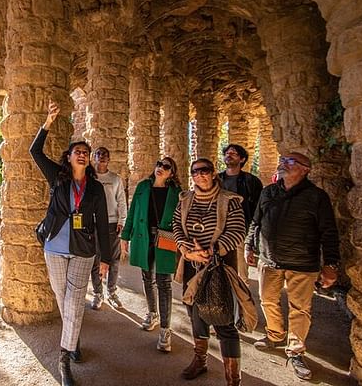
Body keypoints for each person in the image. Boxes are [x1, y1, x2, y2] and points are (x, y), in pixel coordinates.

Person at [30, 100, 113, 386]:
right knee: (62, 299)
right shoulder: (58, 177)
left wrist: (106, 260)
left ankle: (64, 358)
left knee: (74, 304)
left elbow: (103, 223)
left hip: (83, 252)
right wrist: (48, 122)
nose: (82, 154)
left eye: (86, 153)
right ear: (69, 157)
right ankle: (73, 340)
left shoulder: (96, 188)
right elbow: (35, 151)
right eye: (78, 151)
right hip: (53, 247)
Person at [245, 152, 340, 381]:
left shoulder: (317, 197)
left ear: (305, 170)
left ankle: (295, 351)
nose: (283, 164)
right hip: (269, 260)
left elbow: (329, 232)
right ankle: (275, 335)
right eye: (283, 160)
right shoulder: (269, 192)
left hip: (302, 263)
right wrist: (249, 245)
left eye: (290, 162)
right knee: (267, 299)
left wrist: (330, 264)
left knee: (300, 309)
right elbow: (256, 221)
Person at [173, 158, 246, 386]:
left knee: (224, 320)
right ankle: (200, 360)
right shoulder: (185, 200)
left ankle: (233, 378)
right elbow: (176, 226)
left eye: (205, 170)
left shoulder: (229, 201)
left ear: (214, 173)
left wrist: (213, 250)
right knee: (196, 315)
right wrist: (187, 250)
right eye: (195, 171)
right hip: (192, 269)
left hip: (219, 270)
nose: (200, 175)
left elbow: (237, 231)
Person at [120, 157, 182, 352]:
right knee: (147, 277)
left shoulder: (177, 193)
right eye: (159, 164)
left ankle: (165, 330)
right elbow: (132, 213)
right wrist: (125, 237)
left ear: (172, 173)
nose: (160, 168)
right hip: (143, 237)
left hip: (166, 239)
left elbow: (182, 219)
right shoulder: (143, 187)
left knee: (164, 282)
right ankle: (152, 313)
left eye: (166, 167)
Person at [219, 144, 263, 285]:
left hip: (240, 230)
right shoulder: (217, 180)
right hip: (219, 230)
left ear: (242, 159)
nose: (229, 155)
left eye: (234, 153)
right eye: (227, 153)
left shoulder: (251, 181)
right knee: (220, 270)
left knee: (241, 273)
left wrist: (252, 237)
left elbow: (257, 209)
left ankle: (241, 302)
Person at [90, 147, 127, 310]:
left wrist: (122, 220)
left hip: (112, 223)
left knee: (114, 260)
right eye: (99, 154)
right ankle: (98, 293)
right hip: (94, 222)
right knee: (95, 259)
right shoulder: (89, 177)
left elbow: (121, 201)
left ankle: (111, 291)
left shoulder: (115, 179)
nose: (102, 157)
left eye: (105, 154)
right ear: (94, 157)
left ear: (109, 159)